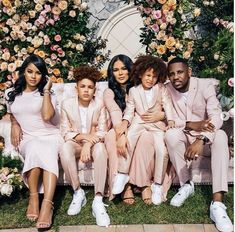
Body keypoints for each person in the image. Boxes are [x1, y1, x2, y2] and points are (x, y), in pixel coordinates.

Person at [165, 57, 233, 232]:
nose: (175, 77)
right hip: (185, 136)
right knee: (171, 134)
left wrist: (201, 138)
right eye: (171, 74)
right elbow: (171, 119)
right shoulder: (167, 90)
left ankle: (217, 204)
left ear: (189, 72)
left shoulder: (205, 86)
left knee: (220, 136)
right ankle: (186, 185)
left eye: (179, 72)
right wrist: (192, 124)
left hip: (206, 139)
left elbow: (216, 116)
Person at [6, 54, 63, 230]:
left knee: (41, 148)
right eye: (29, 71)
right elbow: (12, 113)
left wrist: (46, 90)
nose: (33, 76)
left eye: (38, 73)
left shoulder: (47, 93)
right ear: (23, 72)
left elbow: (47, 116)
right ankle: (33, 197)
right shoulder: (10, 93)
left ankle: (46, 204)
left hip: (50, 136)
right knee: (34, 147)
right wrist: (15, 124)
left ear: (43, 76)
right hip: (27, 138)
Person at [112, 55, 175, 205]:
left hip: (157, 124)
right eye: (147, 75)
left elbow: (167, 104)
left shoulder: (161, 88)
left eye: (154, 76)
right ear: (140, 74)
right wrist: (126, 122)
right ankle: (122, 174)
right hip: (139, 121)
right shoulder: (134, 91)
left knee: (162, 150)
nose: (150, 79)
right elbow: (129, 110)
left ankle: (158, 185)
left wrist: (170, 119)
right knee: (129, 140)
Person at [60, 65, 110, 227]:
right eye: (83, 87)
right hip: (75, 143)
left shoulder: (99, 104)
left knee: (101, 149)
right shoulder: (67, 104)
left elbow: (103, 131)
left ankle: (98, 199)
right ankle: (78, 192)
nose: (86, 90)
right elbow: (65, 132)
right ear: (76, 88)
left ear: (95, 90)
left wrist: (89, 143)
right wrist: (83, 137)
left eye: (90, 87)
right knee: (65, 147)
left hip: (94, 144)